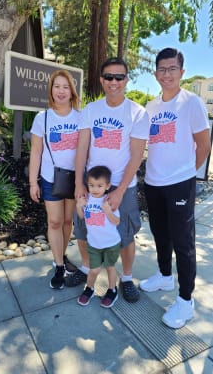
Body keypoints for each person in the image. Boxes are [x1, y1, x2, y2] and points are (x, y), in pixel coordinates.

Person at [65, 57, 149, 303]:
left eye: (119, 77)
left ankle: (126, 278)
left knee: (124, 236)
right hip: (91, 186)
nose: (114, 82)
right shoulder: (91, 110)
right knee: (83, 231)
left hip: (122, 187)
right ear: (102, 80)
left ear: (126, 80)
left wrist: (121, 189)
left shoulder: (137, 113)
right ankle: (86, 269)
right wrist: (79, 184)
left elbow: (137, 155)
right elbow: (82, 147)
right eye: (109, 77)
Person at [140, 47, 211, 328]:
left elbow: (205, 145)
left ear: (181, 72)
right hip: (153, 182)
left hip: (180, 184)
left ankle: (185, 302)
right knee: (159, 233)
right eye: (162, 69)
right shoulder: (151, 106)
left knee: (183, 243)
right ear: (155, 73)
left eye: (172, 69)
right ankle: (164, 277)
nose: (166, 74)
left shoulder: (192, 103)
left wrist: (186, 173)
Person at [29, 69, 80, 290]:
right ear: (51, 90)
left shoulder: (81, 116)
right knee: (55, 221)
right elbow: (36, 152)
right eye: (57, 86)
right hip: (51, 179)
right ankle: (59, 265)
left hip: (74, 179)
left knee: (68, 221)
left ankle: (63, 253)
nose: (61, 91)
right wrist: (33, 182)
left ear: (71, 91)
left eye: (65, 86)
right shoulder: (43, 118)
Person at [76, 165, 121, 308]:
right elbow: (82, 217)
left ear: (107, 186)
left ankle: (112, 290)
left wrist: (107, 210)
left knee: (110, 267)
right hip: (94, 244)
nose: (95, 189)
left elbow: (116, 221)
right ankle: (89, 289)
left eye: (100, 185)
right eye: (91, 185)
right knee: (94, 270)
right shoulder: (87, 200)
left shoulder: (109, 201)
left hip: (111, 243)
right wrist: (79, 206)